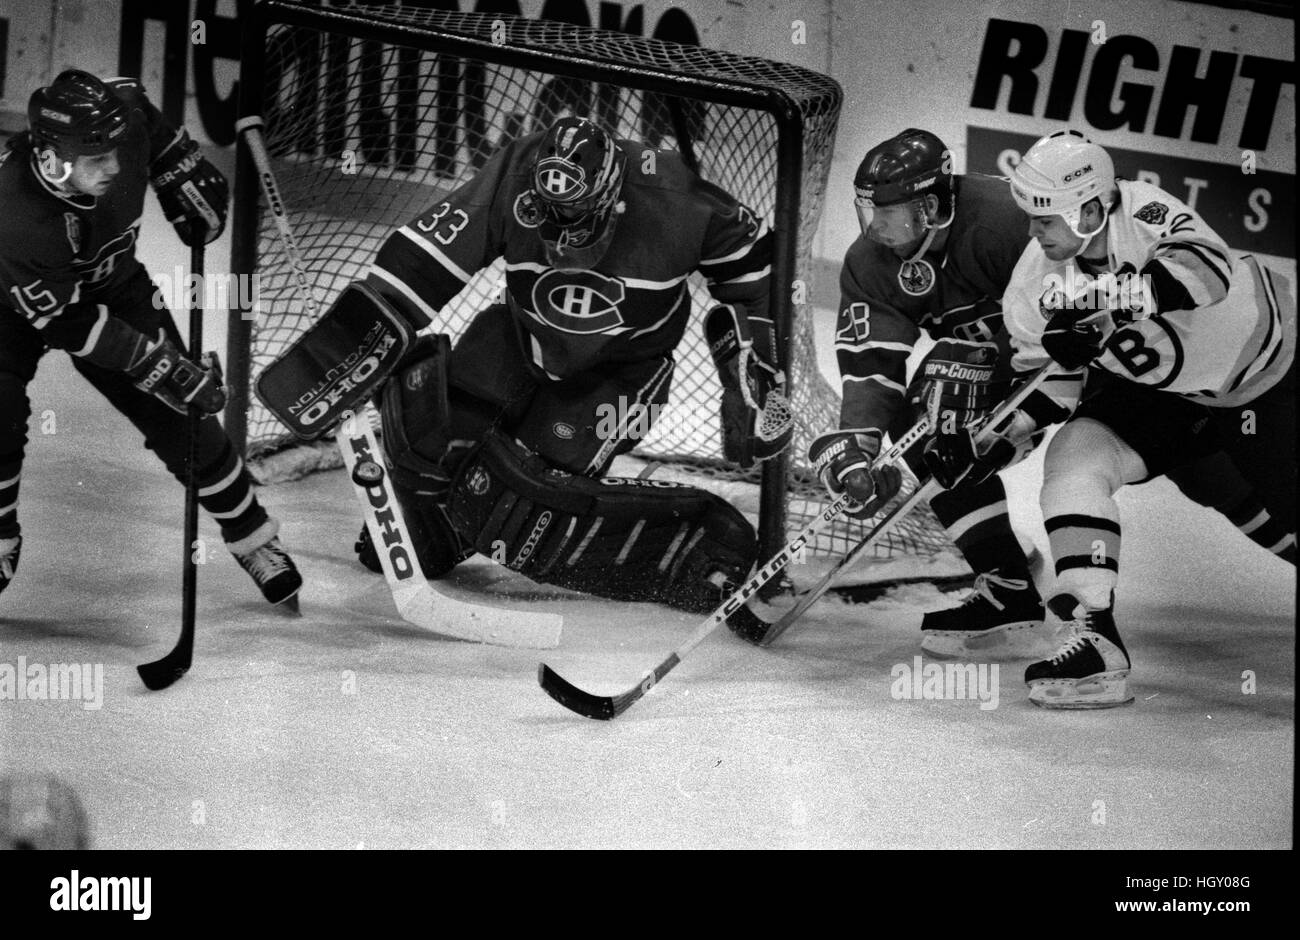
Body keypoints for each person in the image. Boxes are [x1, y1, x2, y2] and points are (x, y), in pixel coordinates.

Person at [349, 115, 789, 613]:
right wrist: (369, 330)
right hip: (518, 332)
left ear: (611, 198)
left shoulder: (677, 199)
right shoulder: (517, 172)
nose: (561, 241)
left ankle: (691, 541)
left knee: (533, 495)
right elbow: (432, 249)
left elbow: (762, 282)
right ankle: (444, 524)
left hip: (626, 367)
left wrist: (755, 374)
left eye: (576, 220)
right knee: (434, 431)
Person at [938, 129, 1294, 708]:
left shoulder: (1145, 210)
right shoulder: (1035, 283)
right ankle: (1094, 635)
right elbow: (1052, 386)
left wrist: (1109, 305)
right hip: (1168, 399)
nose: (1033, 232)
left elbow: (1208, 270)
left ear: (1093, 207)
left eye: (1045, 219)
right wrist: (995, 443)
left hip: (1271, 376)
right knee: (1076, 457)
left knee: (1285, 516)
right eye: (1030, 217)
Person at [0, 70, 302, 608]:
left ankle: (254, 538)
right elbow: (75, 326)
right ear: (50, 158)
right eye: (97, 160)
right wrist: (159, 364)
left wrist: (175, 162)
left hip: (115, 283)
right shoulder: (15, 217)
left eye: (118, 151)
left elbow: (139, 103)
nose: (115, 167)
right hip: (10, 309)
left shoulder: (122, 115)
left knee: (183, 417)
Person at [811, 128, 1079, 657]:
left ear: (931, 205)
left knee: (1210, 471)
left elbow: (1067, 314)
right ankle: (1008, 592)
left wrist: (986, 367)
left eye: (889, 211)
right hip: (1011, 373)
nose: (876, 226)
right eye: (870, 210)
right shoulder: (870, 262)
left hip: (1081, 364)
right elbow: (872, 368)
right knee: (930, 421)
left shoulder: (1005, 221)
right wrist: (858, 446)